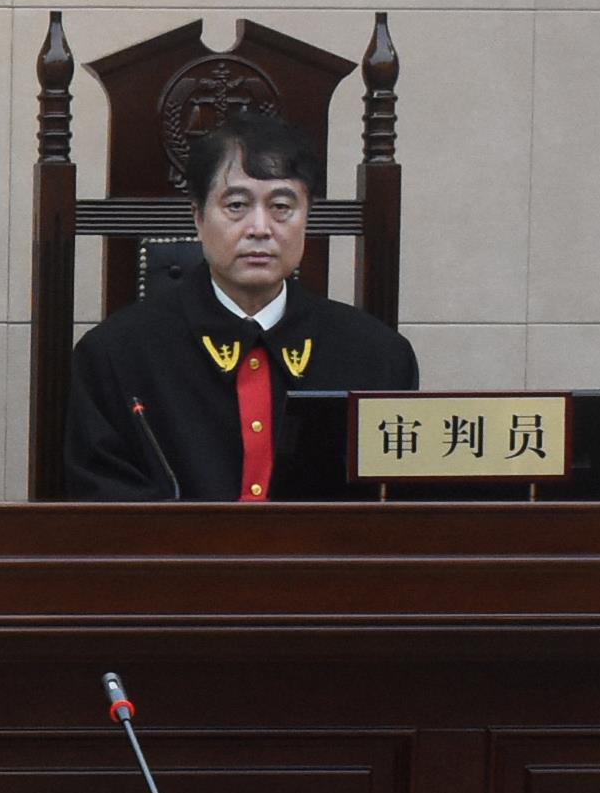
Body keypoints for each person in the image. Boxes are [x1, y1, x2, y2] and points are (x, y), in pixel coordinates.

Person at [58, 105, 420, 502]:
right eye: (236, 206)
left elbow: (400, 514)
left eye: (281, 207)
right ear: (198, 217)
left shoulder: (379, 357)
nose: (260, 229)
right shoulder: (114, 358)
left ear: (307, 218)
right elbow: (101, 516)